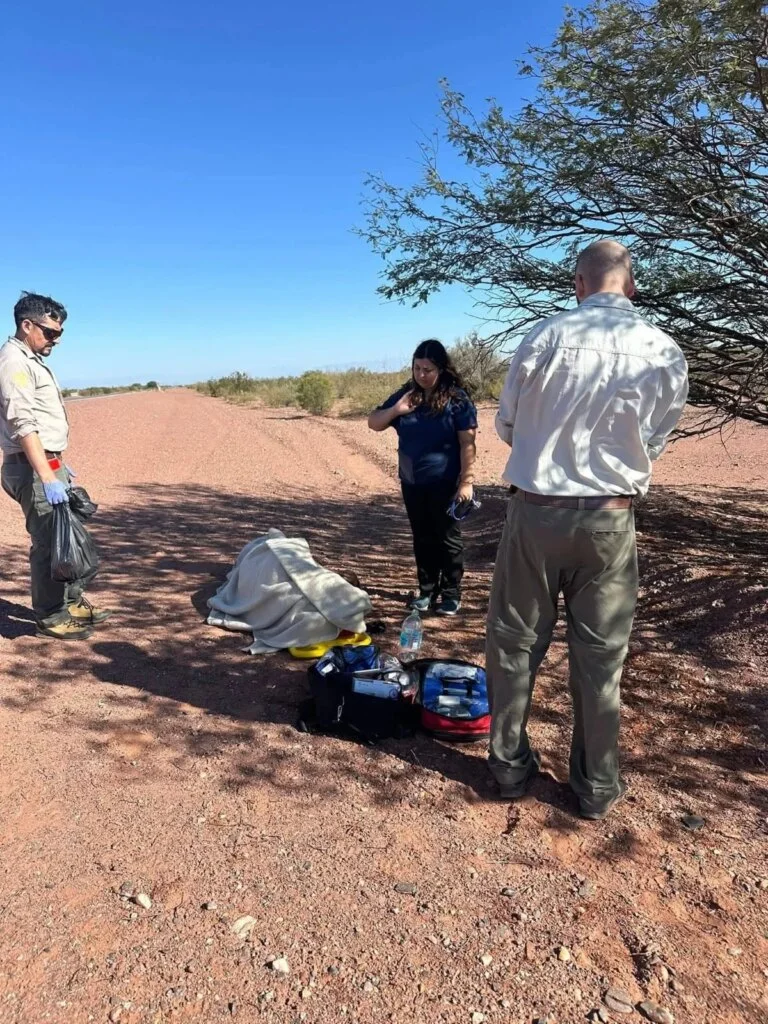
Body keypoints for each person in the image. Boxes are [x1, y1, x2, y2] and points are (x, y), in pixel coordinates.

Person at [486, 241, 689, 819]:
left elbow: (507, 424)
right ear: (631, 284)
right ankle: (596, 788)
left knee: (515, 642)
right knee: (602, 659)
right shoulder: (663, 350)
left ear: (578, 283)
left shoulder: (543, 338)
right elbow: (653, 441)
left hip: (536, 513)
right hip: (610, 517)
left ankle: (508, 768)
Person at [0, 292, 109, 640]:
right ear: (26, 324)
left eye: (60, 333)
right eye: (50, 332)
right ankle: (50, 616)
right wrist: (47, 475)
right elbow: (23, 424)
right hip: (33, 470)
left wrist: (58, 463)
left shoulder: (30, 359)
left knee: (69, 535)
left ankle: (71, 601)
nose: (56, 340)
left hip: (46, 464)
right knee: (49, 542)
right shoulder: (13, 362)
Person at [368, 339, 477, 616]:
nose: (421, 374)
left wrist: (466, 481)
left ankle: (451, 593)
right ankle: (427, 591)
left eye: (427, 369)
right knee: (422, 537)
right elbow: (374, 422)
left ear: (441, 369)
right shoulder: (406, 396)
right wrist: (396, 411)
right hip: (412, 482)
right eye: (417, 368)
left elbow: (467, 443)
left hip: (445, 483)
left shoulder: (457, 399)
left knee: (447, 538)